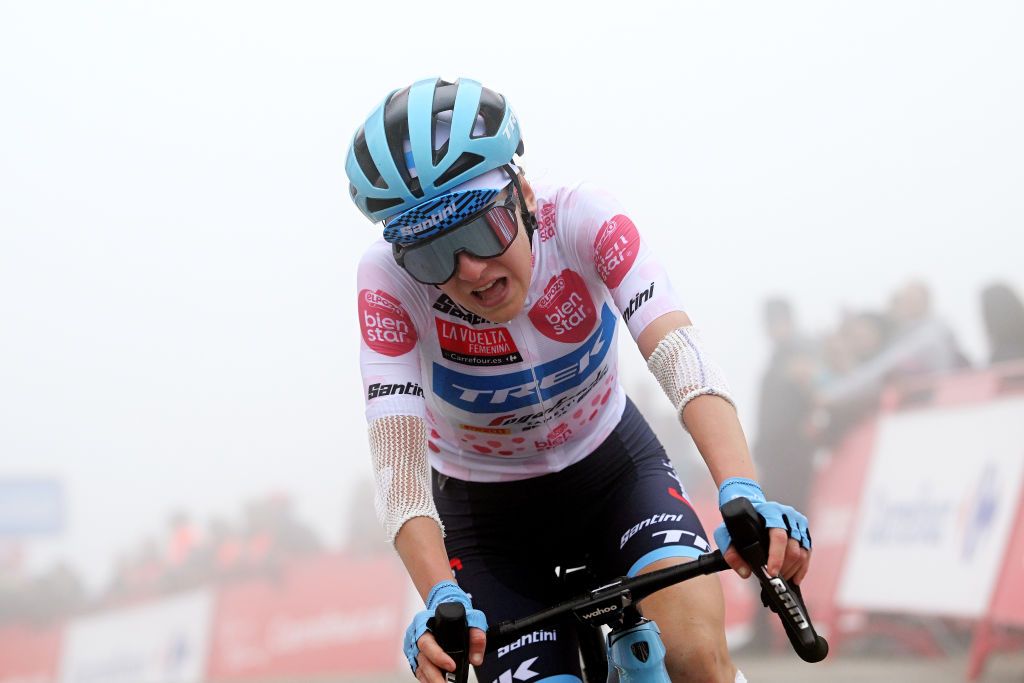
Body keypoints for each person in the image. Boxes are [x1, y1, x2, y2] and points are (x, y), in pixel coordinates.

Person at [347, 77, 813, 683]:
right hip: (486, 521)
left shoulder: (581, 218)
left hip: (615, 472)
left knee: (697, 658)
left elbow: (679, 356)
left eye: (480, 229)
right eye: (432, 254)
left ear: (523, 195)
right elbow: (400, 469)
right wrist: (438, 595)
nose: (471, 270)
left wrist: (743, 489)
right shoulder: (386, 282)